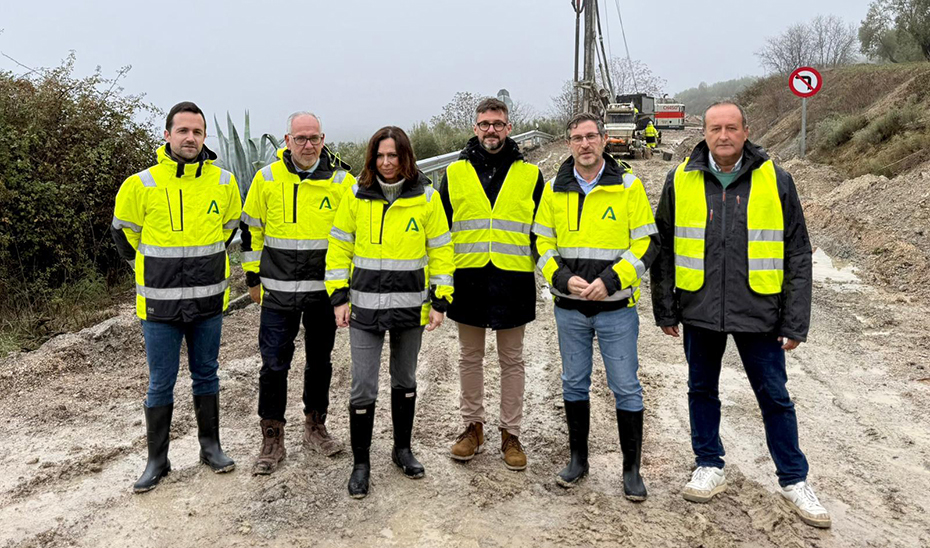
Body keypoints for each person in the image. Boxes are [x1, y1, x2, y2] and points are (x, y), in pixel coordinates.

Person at [650, 101, 830, 528]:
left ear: (746, 132)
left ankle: (794, 480)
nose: (724, 135)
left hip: (760, 311)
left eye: (732, 128)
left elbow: (798, 253)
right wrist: (665, 308)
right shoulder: (681, 179)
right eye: (716, 128)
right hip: (699, 309)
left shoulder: (776, 180)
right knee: (701, 390)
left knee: (775, 397)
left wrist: (795, 319)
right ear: (705, 133)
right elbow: (663, 249)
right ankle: (708, 465)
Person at [111, 101, 240, 493]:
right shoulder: (141, 184)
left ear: (204, 137)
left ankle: (210, 447)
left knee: (207, 374)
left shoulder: (224, 182)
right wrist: (149, 269)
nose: (190, 138)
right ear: (167, 135)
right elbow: (123, 235)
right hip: (159, 306)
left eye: (197, 132)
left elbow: (229, 229)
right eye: (182, 131)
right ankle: (157, 460)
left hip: (207, 303)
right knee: (160, 383)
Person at [534, 113, 658, 501]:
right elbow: (540, 242)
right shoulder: (554, 188)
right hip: (569, 309)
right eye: (577, 138)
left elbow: (647, 244)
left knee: (625, 387)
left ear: (604, 140)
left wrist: (611, 281)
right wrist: (560, 278)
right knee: (573, 382)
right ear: (568, 143)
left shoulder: (628, 186)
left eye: (591, 137)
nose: (584, 144)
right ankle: (578, 459)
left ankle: (631, 469)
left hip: (616, 309)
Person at [325, 126, 454, 499]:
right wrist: (338, 298)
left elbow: (442, 251)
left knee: (405, 380)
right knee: (363, 386)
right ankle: (360, 463)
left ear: (405, 158)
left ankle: (402, 450)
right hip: (363, 310)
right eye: (380, 156)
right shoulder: (355, 196)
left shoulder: (427, 198)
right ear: (372, 158)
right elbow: (339, 249)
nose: (386, 163)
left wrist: (440, 301)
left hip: (410, 309)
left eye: (393, 156)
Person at [239, 112, 356, 475]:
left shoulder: (342, 181)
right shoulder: (267, 179)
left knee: (320, 362)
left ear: (324, 140)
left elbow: (354, 236)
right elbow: (251, 231)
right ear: (286, 141)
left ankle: (315, 426)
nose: (308, 145)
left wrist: (346, 289)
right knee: (274, 365)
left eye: (314, 138)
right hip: (277, 294)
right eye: (300, 138)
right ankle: (272, 436)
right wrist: (252, 279)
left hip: (324, 294)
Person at [438, 98, 545, 471]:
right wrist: (439, 280)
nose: (491, 130)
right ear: (475, 128)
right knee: (470, 358)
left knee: (512, 360)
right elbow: (440, 232)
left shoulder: (530, 176)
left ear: (509, 128)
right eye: (484, 124)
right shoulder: (453, 174)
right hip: (466, 277)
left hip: (513, 279)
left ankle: (510, 433)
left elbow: (540, 232)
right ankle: (473, 428)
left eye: (497, 124)